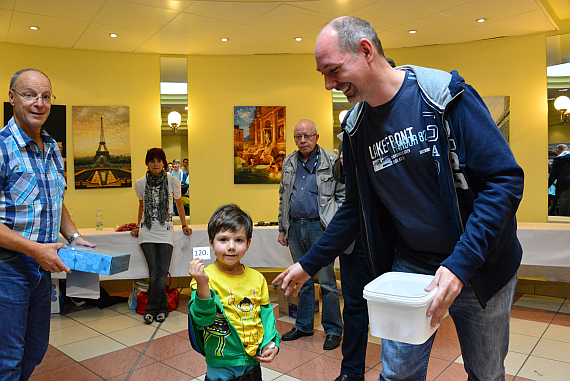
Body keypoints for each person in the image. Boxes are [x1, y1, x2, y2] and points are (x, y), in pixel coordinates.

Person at [274, 16, 524, 381]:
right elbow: (355, 210)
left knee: (485, 374)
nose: (328, 84)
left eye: (332, 70)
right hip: (413, 265)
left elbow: (504, 180)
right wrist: (309, 263)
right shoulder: (356, 130)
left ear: (365, 51)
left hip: (481, 263)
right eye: (322, 74)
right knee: (397, 375)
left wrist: (461, 263)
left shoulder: (445, 97)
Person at [0, 68, 95, 380]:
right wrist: (35, 250)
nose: (38, 103)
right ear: (12, 97)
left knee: (36, 349)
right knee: (8, 358)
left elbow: (55, 199)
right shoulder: (2, 148)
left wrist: (74, 236)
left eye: (45, 97)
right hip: (8, 270)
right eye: (29, 95)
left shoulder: (53, 148)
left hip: (43, 270)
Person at [188, 204, 280, 381]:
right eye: (223, 239)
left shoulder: (257, 278)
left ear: (248, 243)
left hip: (253, 361)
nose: (231, 246)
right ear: (211, 243)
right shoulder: (205, 278)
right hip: (221, 364)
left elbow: (267, 316)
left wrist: (272, 342)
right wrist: (202, 284)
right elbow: (203, 319)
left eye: (239, 240)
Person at [277, 118, 344, 351]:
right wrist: (282, 227)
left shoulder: (332, 160)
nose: (302, 140)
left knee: (326, 282)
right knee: (300, 280)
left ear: (316, 137)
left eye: (307, 135)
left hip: (321, 228)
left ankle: (333, 330)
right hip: (295, 227)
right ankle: (303, 326)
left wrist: (335, 226)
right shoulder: (288, 162)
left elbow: (343, 195)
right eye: (298, 136)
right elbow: (283, 196)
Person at [131, 148, 192, 324]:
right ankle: (161, 309)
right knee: (154, 271)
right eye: (152, 161)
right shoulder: (141, 183)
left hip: (165, 230)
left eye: (159, 160)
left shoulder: (173, 181)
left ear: (164, 163)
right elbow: (141, 206)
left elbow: (179, 205)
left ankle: (152, 309)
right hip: (147, 230)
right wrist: (137, 226)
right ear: (147, 163)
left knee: (162, 272)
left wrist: (184, 225)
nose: (156, 164)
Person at [548, 144, 570, 216]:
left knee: (564, 211)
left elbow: (553, 176)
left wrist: (546, 187)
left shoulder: (558, 160)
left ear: (558, 151)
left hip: (565, 186)